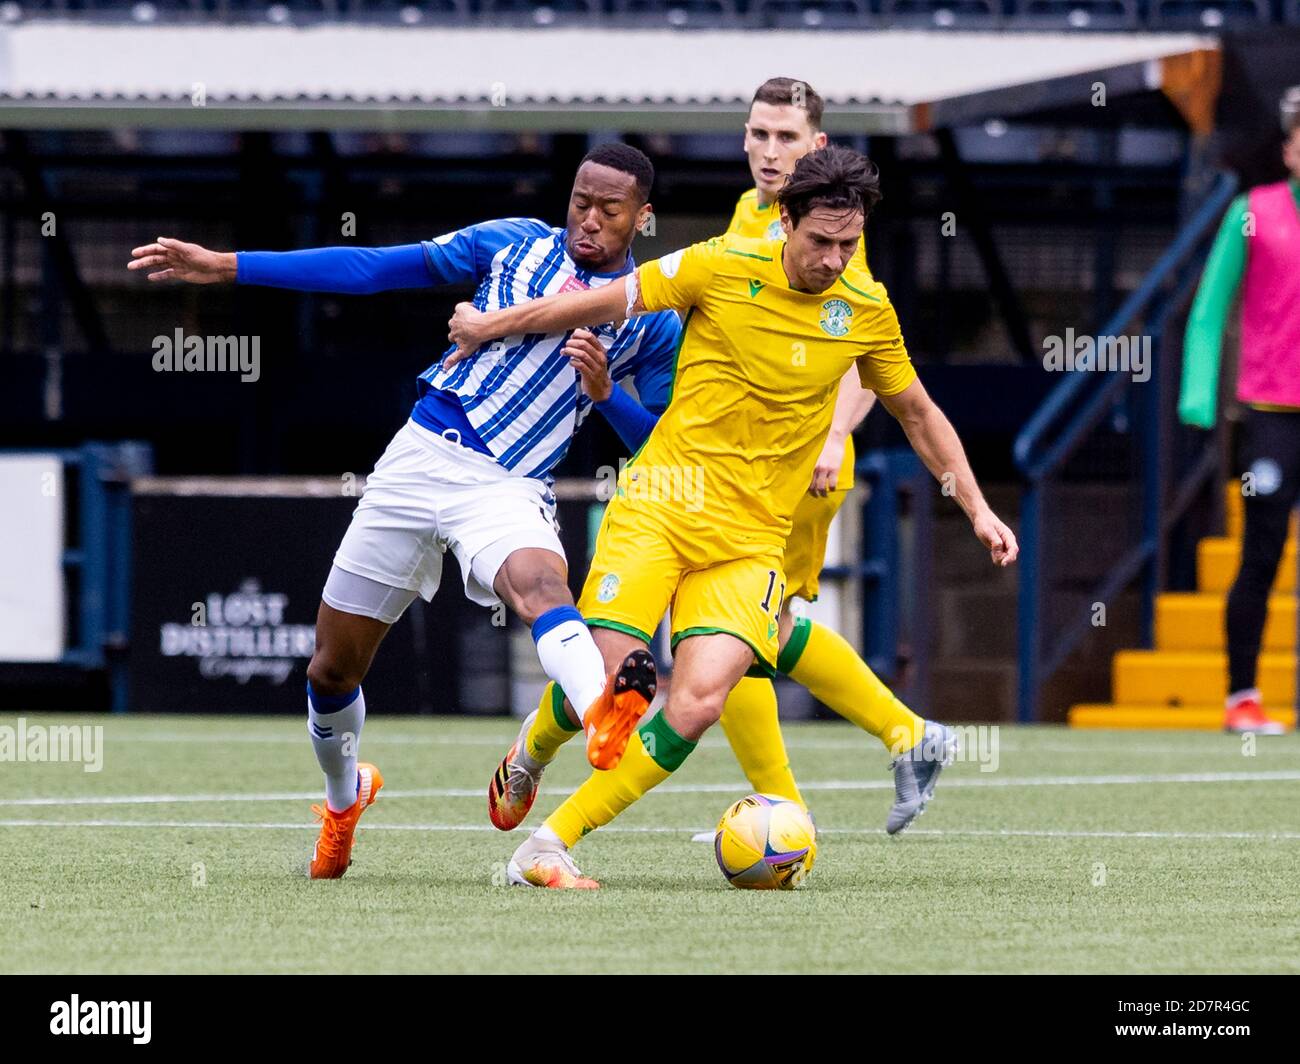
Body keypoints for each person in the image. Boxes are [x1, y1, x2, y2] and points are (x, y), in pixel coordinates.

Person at [450, 145, 1018, 888]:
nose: (834, 260)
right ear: (785, 220)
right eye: (821, 243)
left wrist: (975, 505)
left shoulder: (866, 310)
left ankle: (549, 844)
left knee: (696, 701)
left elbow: (917, 412)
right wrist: (494, 325)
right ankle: (533, 748)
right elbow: (600, 301)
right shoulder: (719, 265)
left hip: (750, 542)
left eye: (849, 245)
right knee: (614, 678)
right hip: (660, 503)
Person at [128, 144, 680, 877]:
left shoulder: (652, 315)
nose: (588, 220)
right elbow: (375, 267)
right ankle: (343, 794)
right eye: (581, 201)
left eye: (610, 211)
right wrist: (230, 265)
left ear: (642, 218)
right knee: (331, 670)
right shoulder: (514, 242)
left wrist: (611, 396)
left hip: (508, 485)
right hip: (419, 458)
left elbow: (664, 444)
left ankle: (603, 710)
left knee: (542, 587)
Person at [1180, 109, 1300, 736]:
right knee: (1262, 555)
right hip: (1270, 414)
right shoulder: (1253, 211)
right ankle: (1242, 697)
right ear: (1288, 150)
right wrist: (1198, 392)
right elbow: (1209, 307)